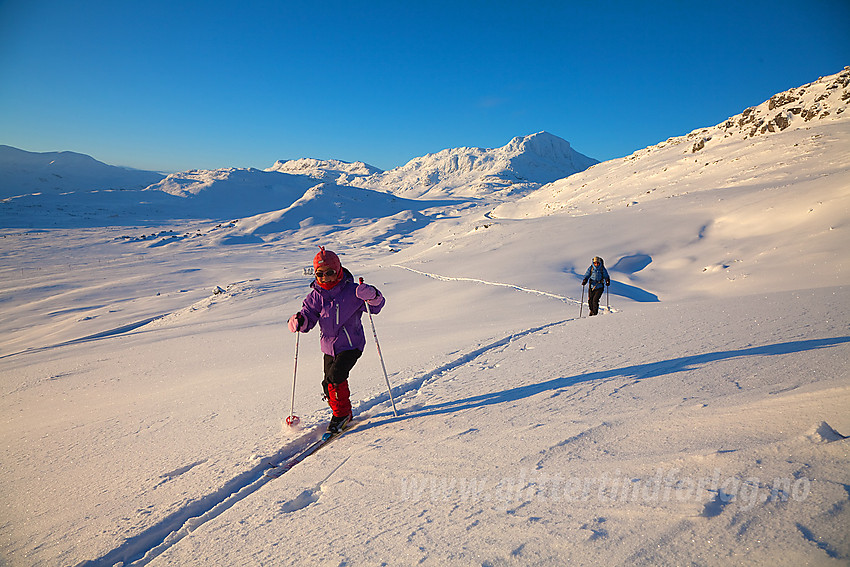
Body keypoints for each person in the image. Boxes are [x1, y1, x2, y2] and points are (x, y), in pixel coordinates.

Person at [288, 247, 385, 432]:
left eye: (330, 273)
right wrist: (299, 321)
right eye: (320, 274)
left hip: (351, 345)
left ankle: (341, 415)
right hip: (328, 347)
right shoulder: (316, 296)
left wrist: (372, 295)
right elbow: (309, 315)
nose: (325, 278)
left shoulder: (352, 291)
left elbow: (376, 306)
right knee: (327, 384)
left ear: (339, 270)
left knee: (336, 377)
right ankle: (342, 412)